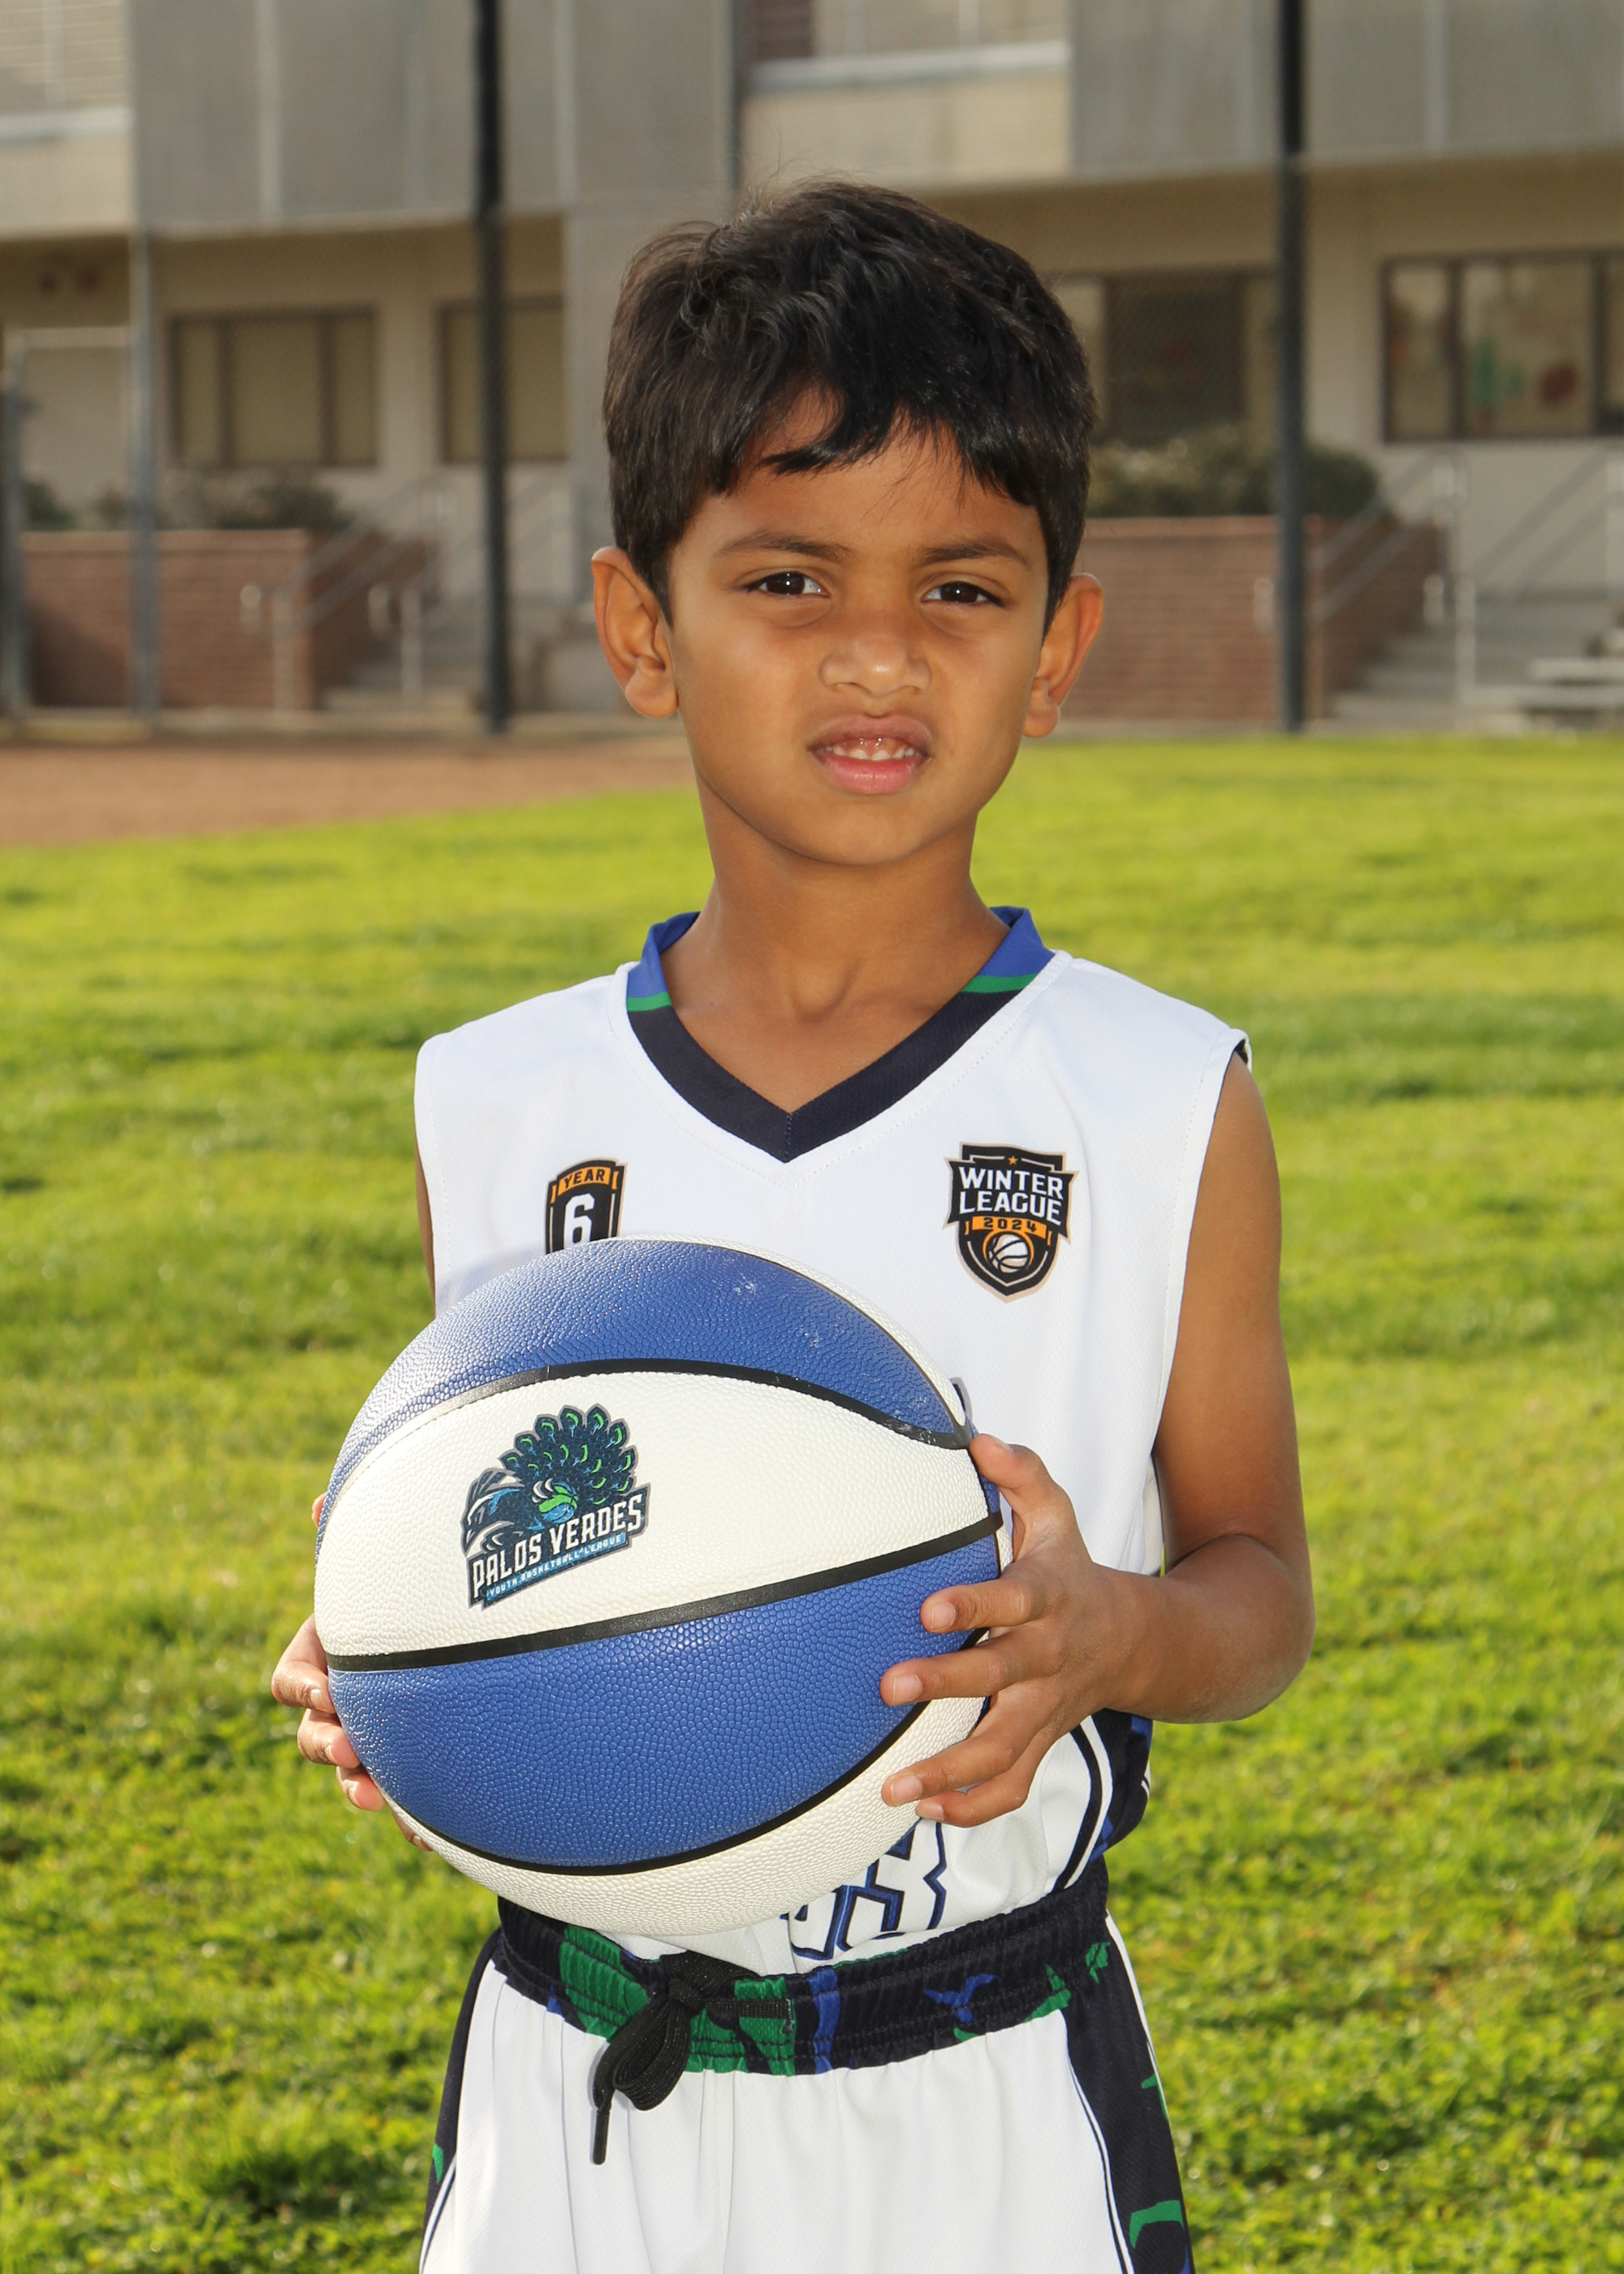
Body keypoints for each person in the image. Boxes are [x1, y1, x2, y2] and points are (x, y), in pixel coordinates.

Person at [272, 182, 1313, 2274]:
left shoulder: (1155, 1095)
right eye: (786, 576)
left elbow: (1260, 1589)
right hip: (585, 2099)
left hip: (982, 2085)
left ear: (1058, 647)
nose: (877, 651)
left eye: (961, 586)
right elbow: (512, 1521)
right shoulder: (498, 1100)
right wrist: (395, 1653)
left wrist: (1110, 1632)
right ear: (641, 627)